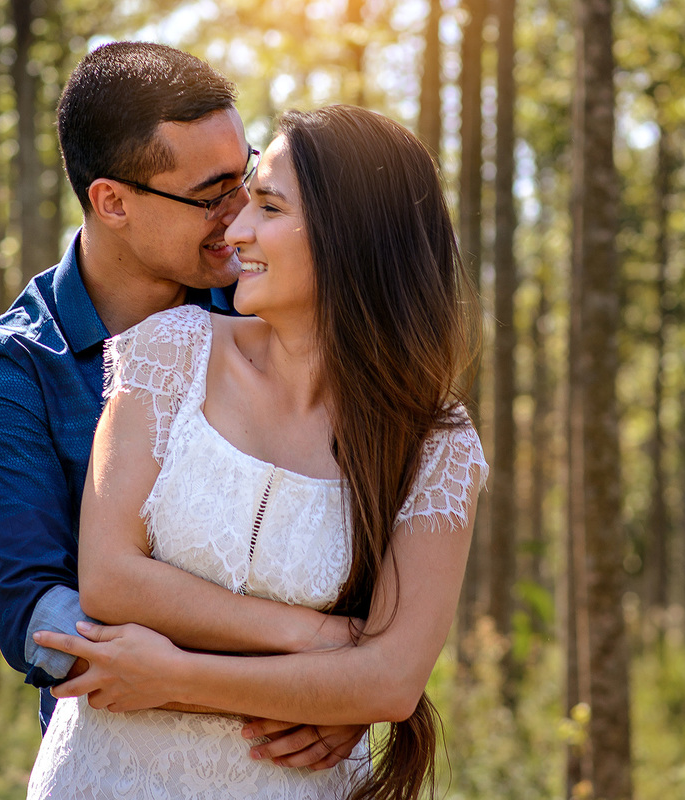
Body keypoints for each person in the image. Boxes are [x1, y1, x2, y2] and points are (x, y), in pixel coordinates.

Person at [27, 105, 489, 799]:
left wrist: (176, 676)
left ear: (350, 237)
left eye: (267, 207)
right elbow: (110, 579)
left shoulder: (436, 446)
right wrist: (323, 648)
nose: (235, 230)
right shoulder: (167, 351)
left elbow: (391, 681)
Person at [0, 42, 364, 767]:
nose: (243, 217)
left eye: (246, 177)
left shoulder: (273, 307)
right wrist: (315, 689)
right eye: (212, 195)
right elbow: (40, 621)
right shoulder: (17, 366)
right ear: (111, 201)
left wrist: (353, 686)